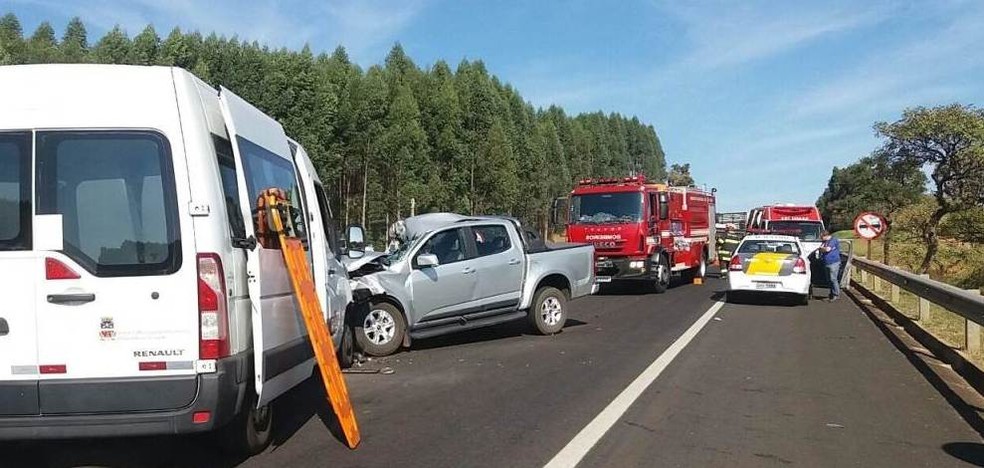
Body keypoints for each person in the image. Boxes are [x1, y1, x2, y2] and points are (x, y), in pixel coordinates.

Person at [817, 230, 841, 301]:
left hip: (833, 262)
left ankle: (836, 294)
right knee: (829, 280)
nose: (821, 239)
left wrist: (822, 249)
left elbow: (827, 249)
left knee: (833, 279)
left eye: (821, 237)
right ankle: (831, 294)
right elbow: (821, 248)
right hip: (827, 262)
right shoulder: (824, 242)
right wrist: (822, 249)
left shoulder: (833, 240)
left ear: (825, 236)